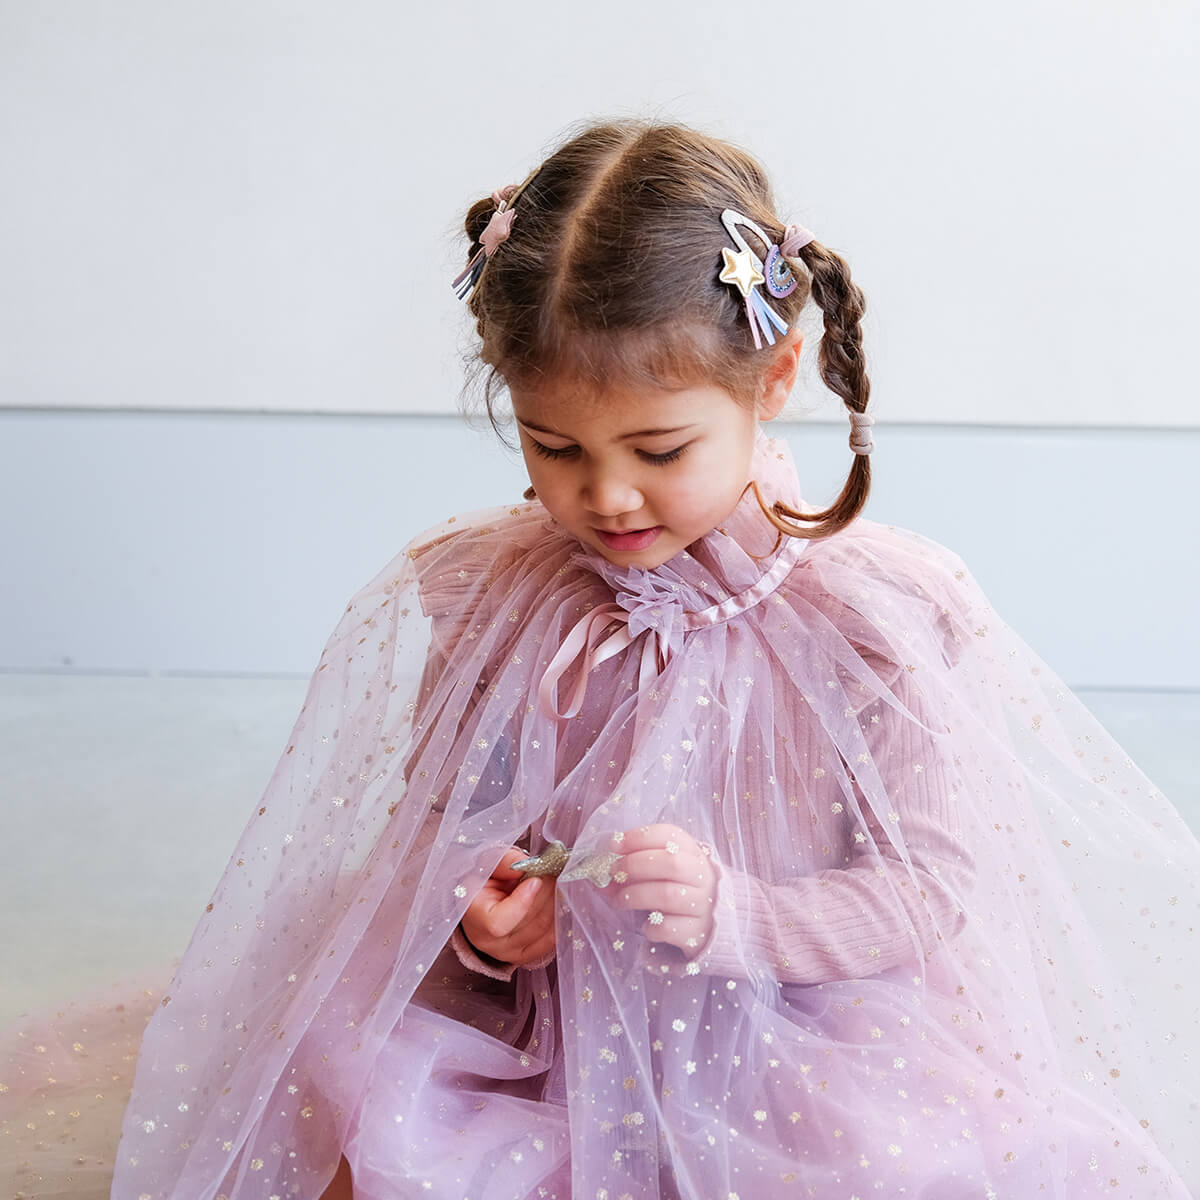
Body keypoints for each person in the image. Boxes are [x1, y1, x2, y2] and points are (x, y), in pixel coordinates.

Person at [11, 119, 1198, 1198]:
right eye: (555, 446)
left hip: (789, 1023)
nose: (609, 495)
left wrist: (741, 914)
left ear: (774, 378)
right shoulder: (497, 596)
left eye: (659, 448)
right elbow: (456, 819)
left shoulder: (870, 621)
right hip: (542, 1027)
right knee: (353, 1111)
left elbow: (931, 890)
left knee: (886, 1167)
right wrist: (489, 913)